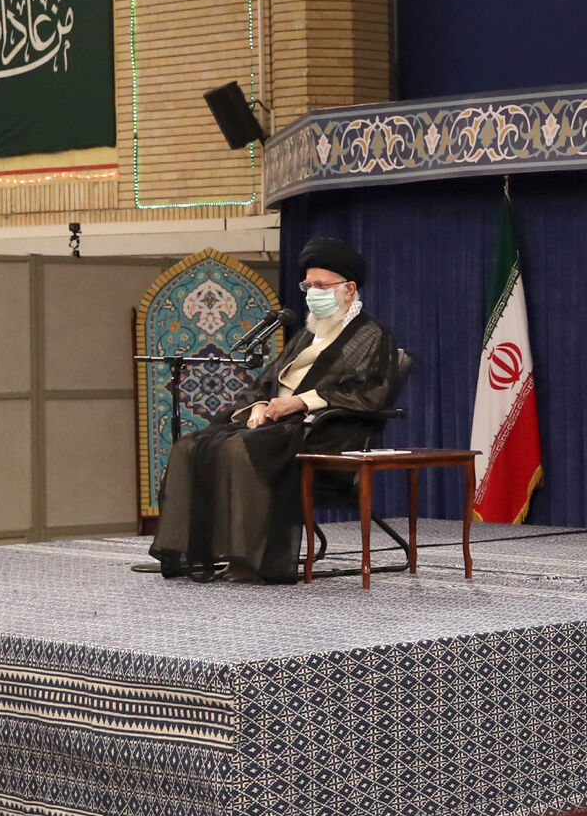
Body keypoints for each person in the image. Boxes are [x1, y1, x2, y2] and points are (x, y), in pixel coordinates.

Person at [149, 238, 401, 583]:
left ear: (348, 289)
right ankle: (192, 554)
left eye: (321, 286)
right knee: (190, 446)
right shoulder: (307, 334)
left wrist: (300, 402)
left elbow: (371, 393)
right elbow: (266, 380)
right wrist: (258, 406)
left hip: (322, 431)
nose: (312, 294)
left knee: (240, 448)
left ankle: (251, 559)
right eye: (308, 286)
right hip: (276, 423)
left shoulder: (370, 335)